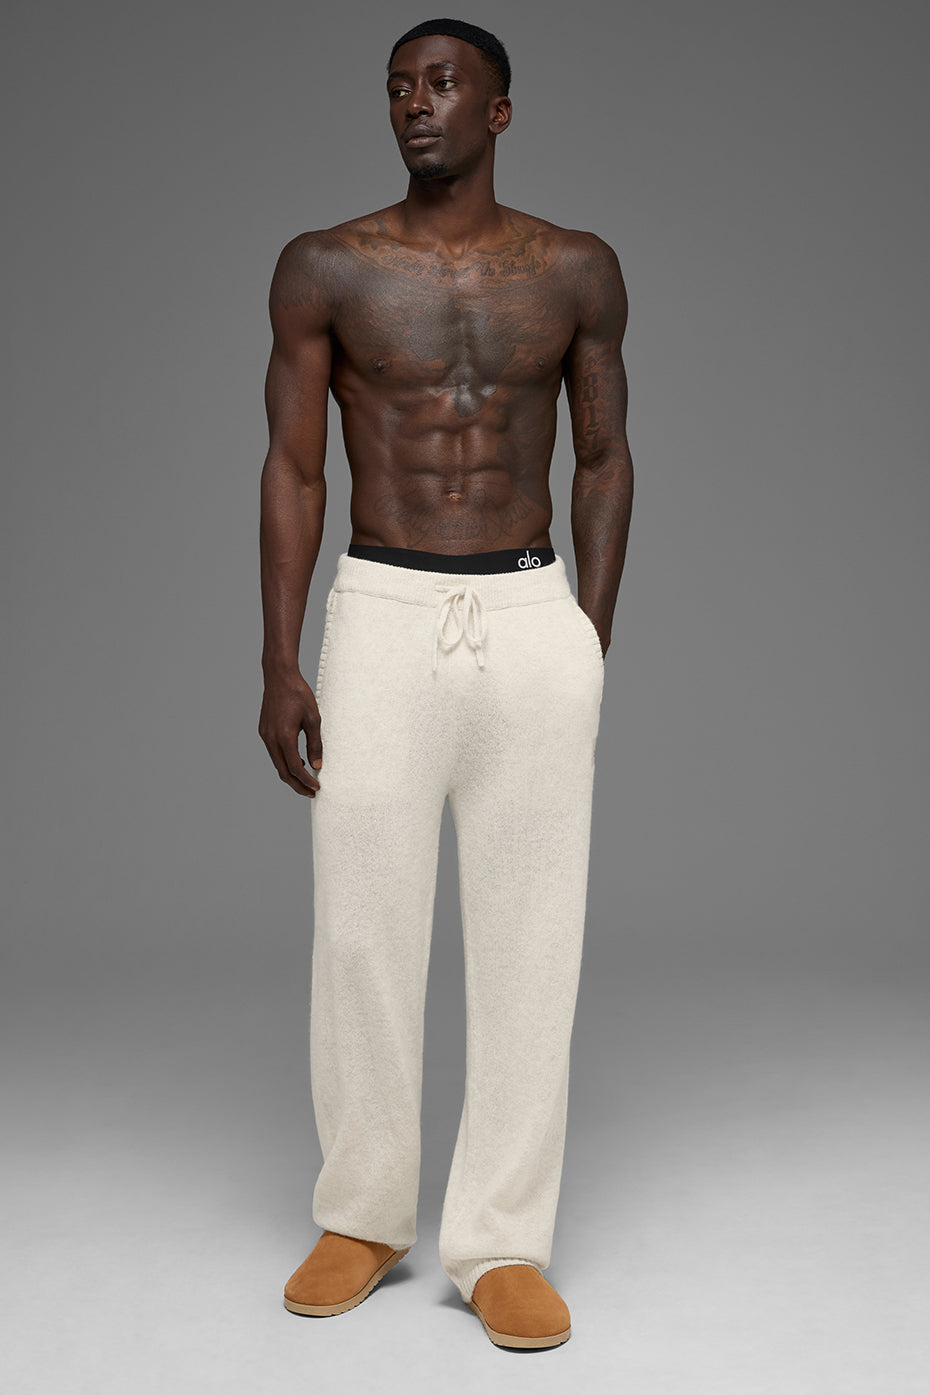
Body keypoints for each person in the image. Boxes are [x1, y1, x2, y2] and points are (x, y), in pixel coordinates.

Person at [258, 17, 633, 1351]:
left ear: (499, 109)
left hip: (528, 613)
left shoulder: (575, 268)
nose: (415, 106)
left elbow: (604, 456)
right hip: (383, 608)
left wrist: (585, 636)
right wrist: (279, 657)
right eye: (397, 88)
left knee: (533, 936)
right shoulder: (328, 266)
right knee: (361, 930)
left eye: (441, 85)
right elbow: (294, 467)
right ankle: (363, 1215)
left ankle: (501, 1240)